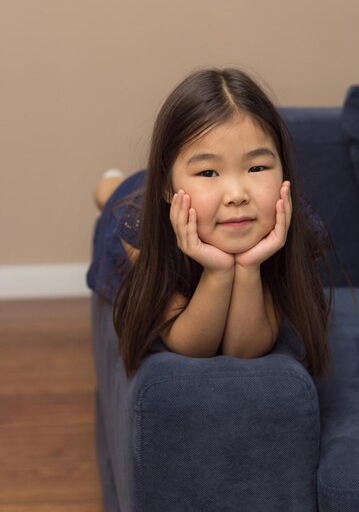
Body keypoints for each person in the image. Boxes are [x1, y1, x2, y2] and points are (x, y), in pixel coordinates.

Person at [93, 68, 331, 378]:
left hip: (182, 199)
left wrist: (247, 267)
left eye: (257, 167)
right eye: (208, 172)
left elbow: (244, 350)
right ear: (168, 186)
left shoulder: (291, 225)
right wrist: (218, 272)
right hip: (139, 201)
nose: (236, 195)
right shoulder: (139, 229)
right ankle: (110, 182)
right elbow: (191, 346)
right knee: (112, 192)